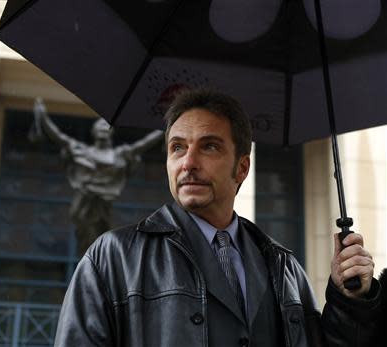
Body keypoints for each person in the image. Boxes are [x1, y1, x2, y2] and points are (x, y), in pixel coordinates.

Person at [54, 89, 381, 346]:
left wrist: (350, 301)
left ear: (242, 167)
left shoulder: (286, 270)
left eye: (209, 147)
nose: (188, 162)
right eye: (177, 148)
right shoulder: (111, 258)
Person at [32, 98, 164, 256]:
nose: (102, 128)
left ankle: (98, 263)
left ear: (111, 132)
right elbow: (58, 137)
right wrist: (42, 115)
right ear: (93, 132)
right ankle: (88, 262)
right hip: (83, 202)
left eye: (105, 126)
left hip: (103, 205)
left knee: (101, 238)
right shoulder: (81, 150)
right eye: (99, 126)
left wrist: (164, 125)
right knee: (84, 238)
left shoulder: (120, 154)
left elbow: (144, 144)